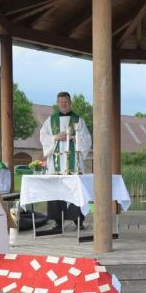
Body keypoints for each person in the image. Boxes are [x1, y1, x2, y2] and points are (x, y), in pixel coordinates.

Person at [39, 92, 92, 231]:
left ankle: (78, 220)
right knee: (56, 190)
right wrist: (55, 137)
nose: (63, 104)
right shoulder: (51, 120)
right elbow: (43, 136)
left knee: (76, 190)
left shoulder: (78, 120)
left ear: (70, 102)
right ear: (57, 102)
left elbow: (87, 139)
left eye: (66, 101)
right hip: (56, 162)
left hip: (73, 162)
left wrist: (74, 137)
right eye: (60, 101)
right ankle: (58, 222)